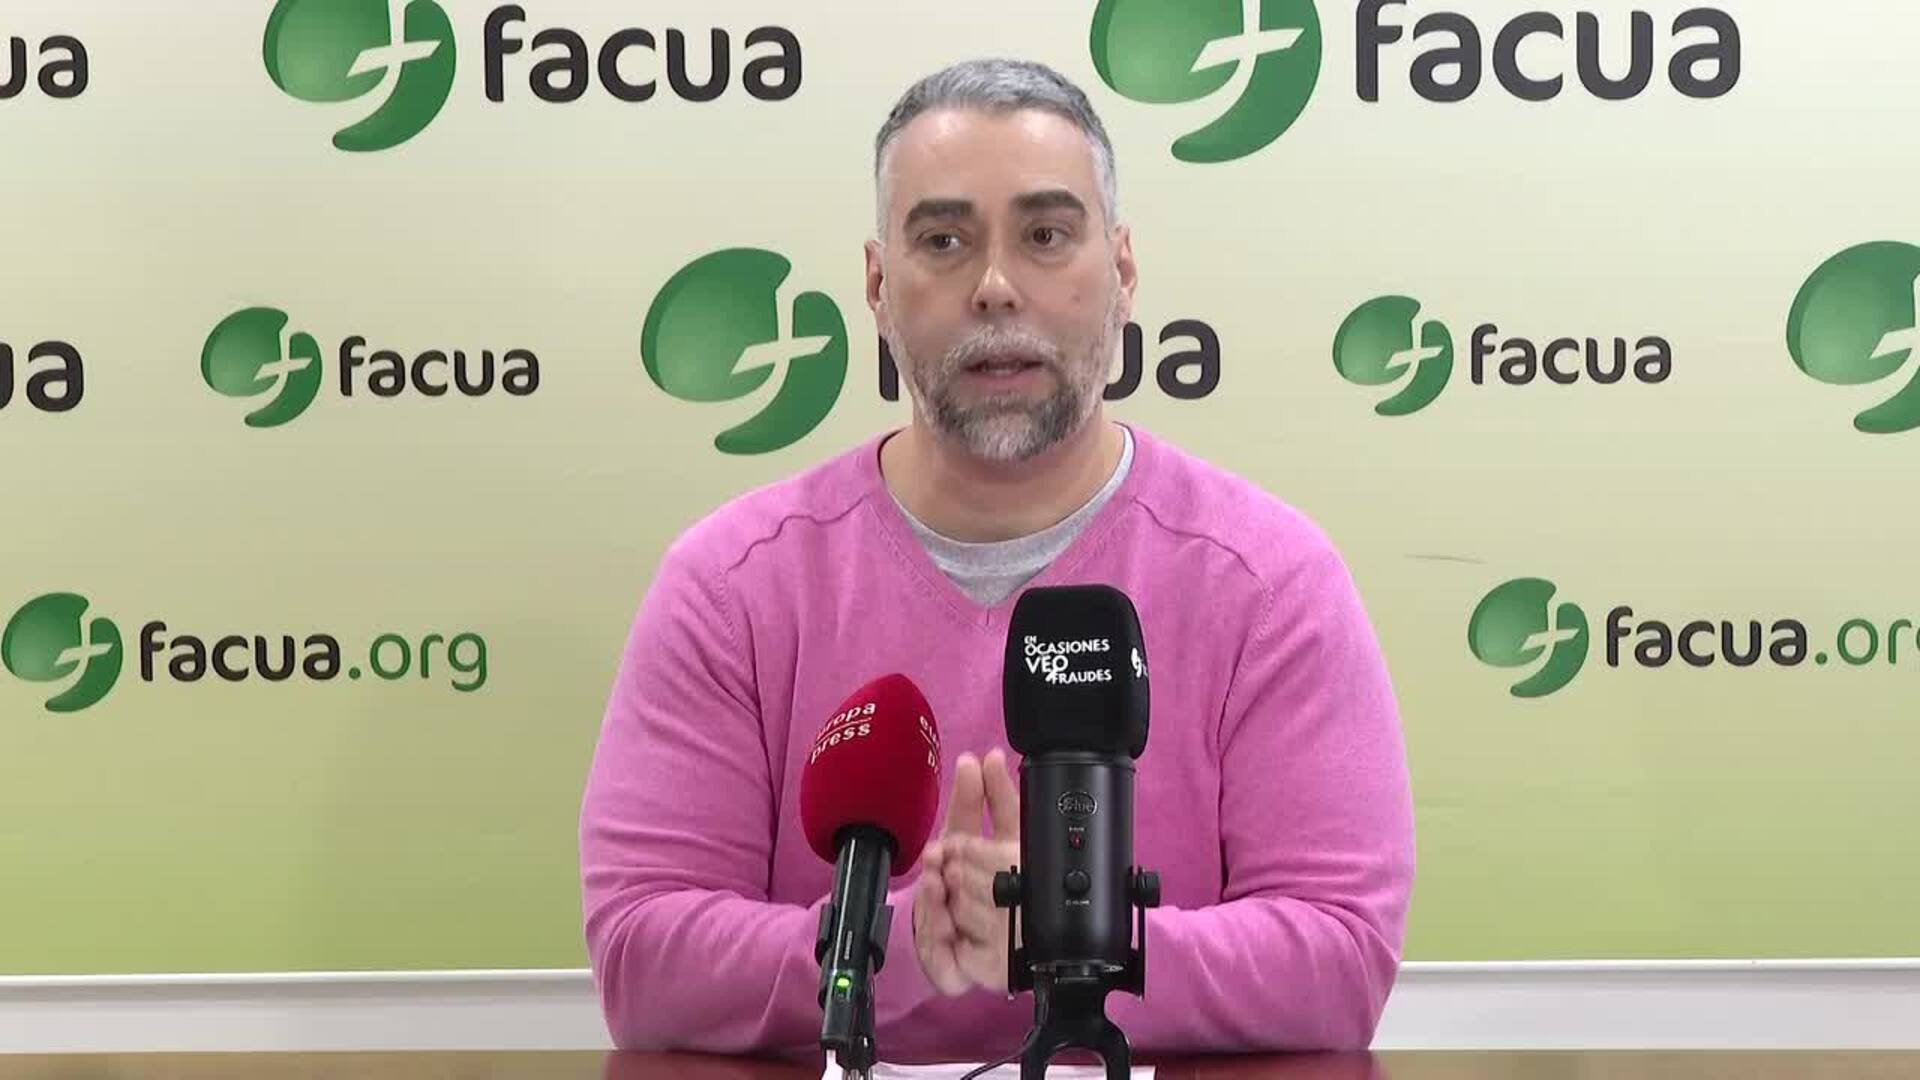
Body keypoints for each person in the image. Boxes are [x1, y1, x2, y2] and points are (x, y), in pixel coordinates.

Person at [579, 58, 1415, 1063]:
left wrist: (1069, 945)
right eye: (943, 241)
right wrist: (894, 949)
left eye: (1047, 235)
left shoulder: (1270, 582)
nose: (995, 288)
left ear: (1123, 271)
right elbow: (643, 958)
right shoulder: (731, 586)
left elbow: (1339, 961)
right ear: (878, 287)